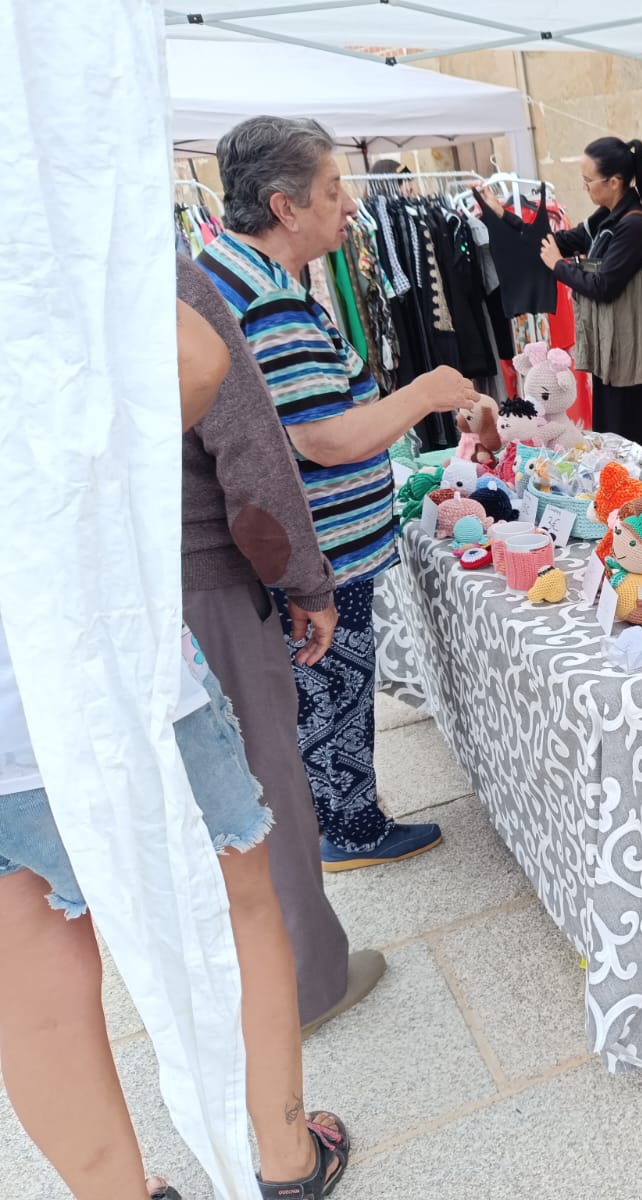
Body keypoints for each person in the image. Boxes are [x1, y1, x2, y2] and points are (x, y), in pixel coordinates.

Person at [0, 301, 350, 1200]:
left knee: (34, 989)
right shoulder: (37, 228)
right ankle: (285, 1160)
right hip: (113, 660)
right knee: (239, 909)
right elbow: (197, 360)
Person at [199, 115, 475, 871]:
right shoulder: (269, 300)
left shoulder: (235, 275)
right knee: (331, 688)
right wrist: (424, 392)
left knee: (318, 691)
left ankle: (336, 816)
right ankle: (350, 829)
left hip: (304, 541)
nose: (350, 204)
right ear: (285, 206)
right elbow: (323, 439)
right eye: (332, 189)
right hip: (323, 548)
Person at [179, 253, 386, 1032]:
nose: (344, 207)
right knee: (262, 788)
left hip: (85, 598)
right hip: (199, 582)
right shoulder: (161, 277)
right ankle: (304, 986)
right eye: (330, 188)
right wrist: (305, 581)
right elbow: (255, 447)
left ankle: (226, 995)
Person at [535, 135, 642, 451]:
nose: (586, 188)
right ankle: (619, 492)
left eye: (588, 181)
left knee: (632, 437)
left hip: (629, 351)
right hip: (612, 348)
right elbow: (565, 241)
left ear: (614, 181)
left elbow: (604, 287)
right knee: (612, 436)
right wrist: (506, 220)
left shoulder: (633, 226)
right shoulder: (606, 220)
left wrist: (559, 267)